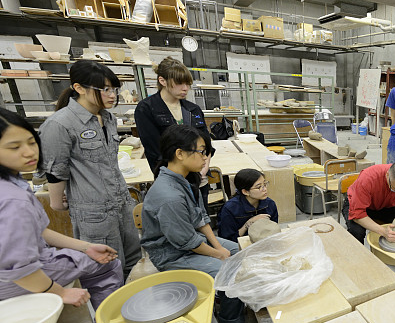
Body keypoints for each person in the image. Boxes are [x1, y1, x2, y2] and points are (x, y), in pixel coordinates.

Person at [0, 109, 122, 309]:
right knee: (108, 265)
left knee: (92, 257)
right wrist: (60, 292)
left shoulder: (11, 183)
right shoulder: (14, 200)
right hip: (16, 278)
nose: (29, 152)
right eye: (14, 147)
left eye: (32, 142)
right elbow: (20, 268)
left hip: (24, 266)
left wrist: (85, 247)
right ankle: (108, 321)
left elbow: (37, 231)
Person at [140, 125, 249, 323]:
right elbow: (186, 242)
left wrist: (219, 246)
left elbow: (200, 218)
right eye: (201, 152)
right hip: (171, 255)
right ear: (179, 154)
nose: (205, 158)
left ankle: (226, 296)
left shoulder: (185, 179)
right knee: (230, 272)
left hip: (185, 243)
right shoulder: (168, 195)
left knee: (237, 250)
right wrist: (219, 256)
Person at [39, 60, 141, 279]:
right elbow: (56, 169)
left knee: (133, 261)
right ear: (79, 88)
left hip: (121, 201)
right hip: (94, 211)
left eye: (114, 89)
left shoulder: (108, 118)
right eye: (104, 90)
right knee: (108, 267)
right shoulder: (60, 124)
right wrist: (56, 201)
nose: (112, 95)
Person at [134, 57, 213, 210]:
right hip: (171, 183)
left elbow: (207, 144)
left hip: (199, 179)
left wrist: (202, 170)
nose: (185, 88)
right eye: (179, 83)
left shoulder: (193, 109)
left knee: (201, 220)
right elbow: (155, 151)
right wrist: (180, 177)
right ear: (162, 81)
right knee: (177, 223)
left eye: (188, 84)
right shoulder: (147, 109)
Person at [342, 161, 395, 243]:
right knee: (356, 232)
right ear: (387, 175)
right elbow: (357, 213)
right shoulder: (368, 178)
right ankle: (360, 255)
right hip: (358, 205)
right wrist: (383, 232)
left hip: (387, 206)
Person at [217, 168, 278, 242]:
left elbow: (274, 232)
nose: (264, 189)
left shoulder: (270, 204)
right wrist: (248, 223)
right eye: (259, 187)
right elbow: (228, 240)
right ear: (245, 192)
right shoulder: (230, 209)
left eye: (265, 184)